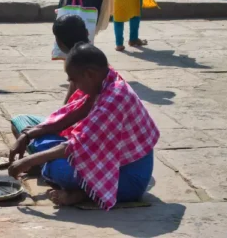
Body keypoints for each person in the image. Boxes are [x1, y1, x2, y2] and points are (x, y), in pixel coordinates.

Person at [8, 44, 158, 209]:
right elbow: (76, 113)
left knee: (56, 168)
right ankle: (51, 169)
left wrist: (27, 161)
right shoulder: (104, 79)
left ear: (89, 74)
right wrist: (28, 135)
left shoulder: (114, 98)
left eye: (73, 80)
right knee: (22, 121)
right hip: (96, 152)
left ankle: (81, 193)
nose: (73, 85)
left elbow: (75, 146)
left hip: (127, 178)